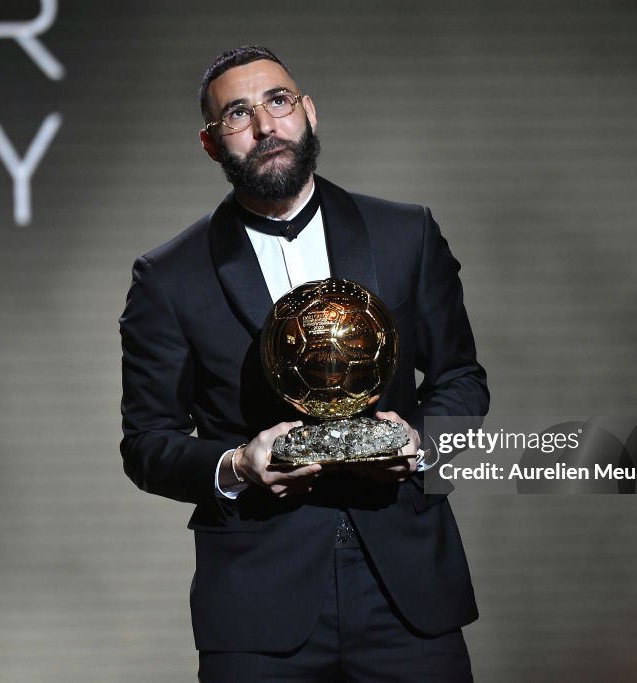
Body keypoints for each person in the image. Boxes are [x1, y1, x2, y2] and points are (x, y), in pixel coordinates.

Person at [119, 45, 488, 682]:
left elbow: (461, 377)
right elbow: (146, 443)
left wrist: (421, 442)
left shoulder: (406, 234)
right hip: (258, 607)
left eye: (278, 102)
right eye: (238, 115)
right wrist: (236, 464)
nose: (265, 127)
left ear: (309, 112)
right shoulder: (168, 277)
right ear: (212, 144)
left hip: (408, 594)